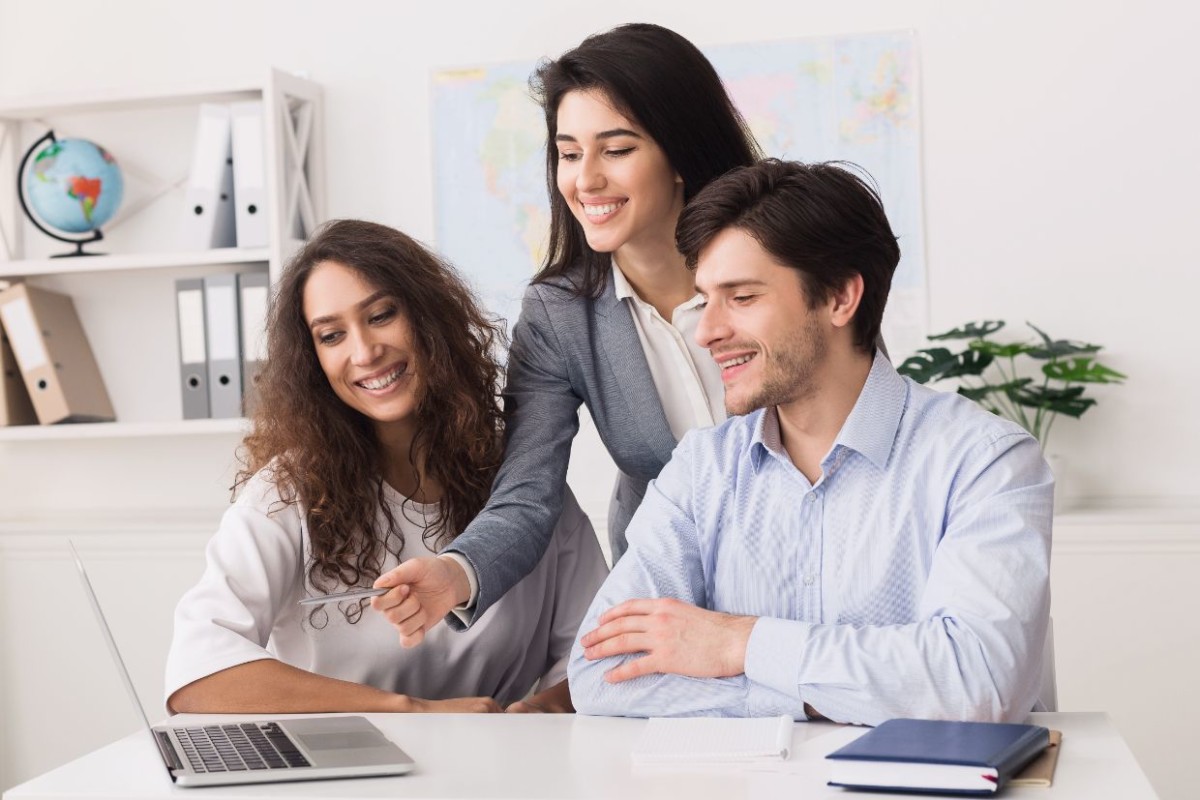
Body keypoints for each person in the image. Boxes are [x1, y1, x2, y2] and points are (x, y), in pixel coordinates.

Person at [567, 159, 1053, 725]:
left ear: (841, 298)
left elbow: (977, 682)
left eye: (742, 298)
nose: (707, 331)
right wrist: (827, 698)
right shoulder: (702, 469)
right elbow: (602, 674)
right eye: (705, 299)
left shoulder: (985, 462)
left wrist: (739, 645)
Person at [373, 22, 762, 646]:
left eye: (617, 149)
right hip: (669, 601)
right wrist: (455, 571)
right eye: (570, 152)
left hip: (811, 579)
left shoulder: (787, 265)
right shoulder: (559, 314)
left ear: (681, 154)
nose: (585, 180)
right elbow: (527, 492)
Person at [164, 219, 607, 715]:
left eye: (380, 316)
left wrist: (534, 716)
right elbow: (196, 675)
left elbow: (598, 656)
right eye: (332, 335)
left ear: (429, 317)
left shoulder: (524, 482)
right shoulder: (286, 495)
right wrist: (409, 710)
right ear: (313, 361)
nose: (364, 352)